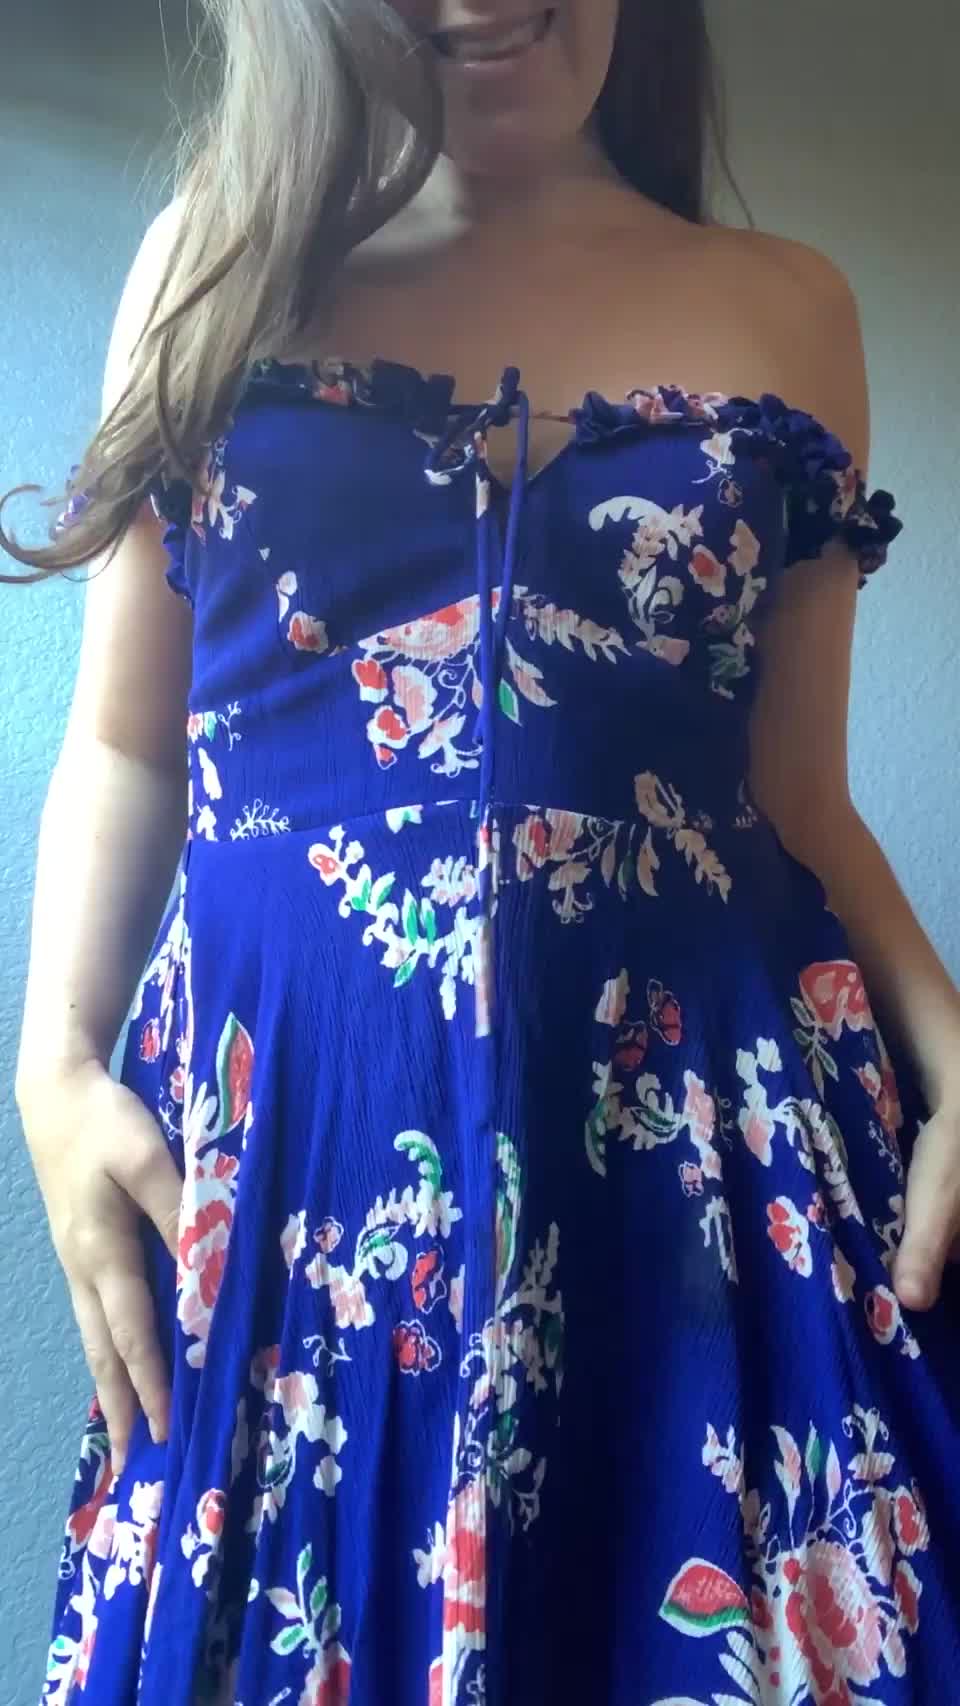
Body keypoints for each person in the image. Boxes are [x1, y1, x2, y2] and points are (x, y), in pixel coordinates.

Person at [5, 1, 960, 1701]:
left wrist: (956, 1051)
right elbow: (129, 738)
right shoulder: (209, 268)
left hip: (698, 1184)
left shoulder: (789, 310)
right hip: (286, 1188)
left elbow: (798, 799)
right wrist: (54, 1065)